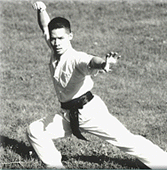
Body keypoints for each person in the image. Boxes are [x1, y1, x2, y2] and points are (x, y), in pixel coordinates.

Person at [27, 1, 167, 169]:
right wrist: (42, 9)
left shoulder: (76, 58)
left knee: (126, 141)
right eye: (54, 38)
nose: (56, 43)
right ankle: (54, 166)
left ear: (70, 36)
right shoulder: (54, 48)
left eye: (61, 38)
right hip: (68, 114)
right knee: (35, 130)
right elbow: (45, 27)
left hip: (90, 112)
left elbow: (92, 61)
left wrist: (103, 64)